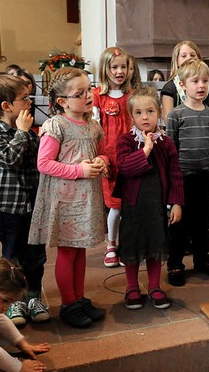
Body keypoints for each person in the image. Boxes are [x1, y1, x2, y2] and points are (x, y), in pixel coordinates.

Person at [28, 68, 108, 328]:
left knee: (80, 250)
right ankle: (68, 303)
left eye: (89, 89)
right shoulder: (56, 125)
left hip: (86, 198)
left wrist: (101, 161)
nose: (88, 95)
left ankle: (79, 297)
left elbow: (104, 152)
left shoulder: (93, 125)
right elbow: (44, 163)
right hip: (65, 199)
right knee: (67, 251)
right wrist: (79, 170)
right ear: (62, 101)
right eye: (80, 93)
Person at [0, 74, 50, 326]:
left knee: (36, 256)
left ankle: (34, 296)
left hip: (33, 205)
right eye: (24, 99)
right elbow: (10, 159)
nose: (29, 103)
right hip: (10, 209)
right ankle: (14, 300)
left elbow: (38, 164)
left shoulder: (29, 133)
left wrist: (40, 138)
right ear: (6, 106)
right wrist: (21, 133)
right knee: (12, 257)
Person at [115, 87, 184, 310]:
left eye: (150, 111)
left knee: (156, 244)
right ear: (131, 115)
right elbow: (125, 167)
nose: (145, 117)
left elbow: (175, 174)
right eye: (138, 113)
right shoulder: (126, 141)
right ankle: (132, 286)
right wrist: (144, 150)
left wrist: (176, 202)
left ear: (159, 113)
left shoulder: (166, 142)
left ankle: (154, 285)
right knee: (132, 246)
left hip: (156, 205)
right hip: (133, 206)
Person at [165, 59, 209, 286]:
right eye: (195, 81)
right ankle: (175, 264)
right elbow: (170, 153)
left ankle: (201, 260)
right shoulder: (176, 115)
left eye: (205, 81)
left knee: (203, 223)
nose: (201, 86)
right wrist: (173, 186)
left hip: (206, 178)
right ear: (182, 85)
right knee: (179, 225)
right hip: (183, 179)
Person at [92, 46, 133, 268]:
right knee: (115, 206)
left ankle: (127, 244)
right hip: (109, 158)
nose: (119, 71)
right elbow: (94, 129)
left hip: (131, 157)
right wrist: (100, 158)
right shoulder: (98, 96)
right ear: (105, 69)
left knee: (130, 204)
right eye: (114, 67)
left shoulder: (132, 95)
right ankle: (111, 244)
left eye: (123, 67)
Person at [160, 40, 209, 124]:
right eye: (184, 56)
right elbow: (168, 121)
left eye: (192, 55)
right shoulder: (170, 88)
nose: (189, 58)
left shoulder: (208, 87)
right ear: (177, 61)